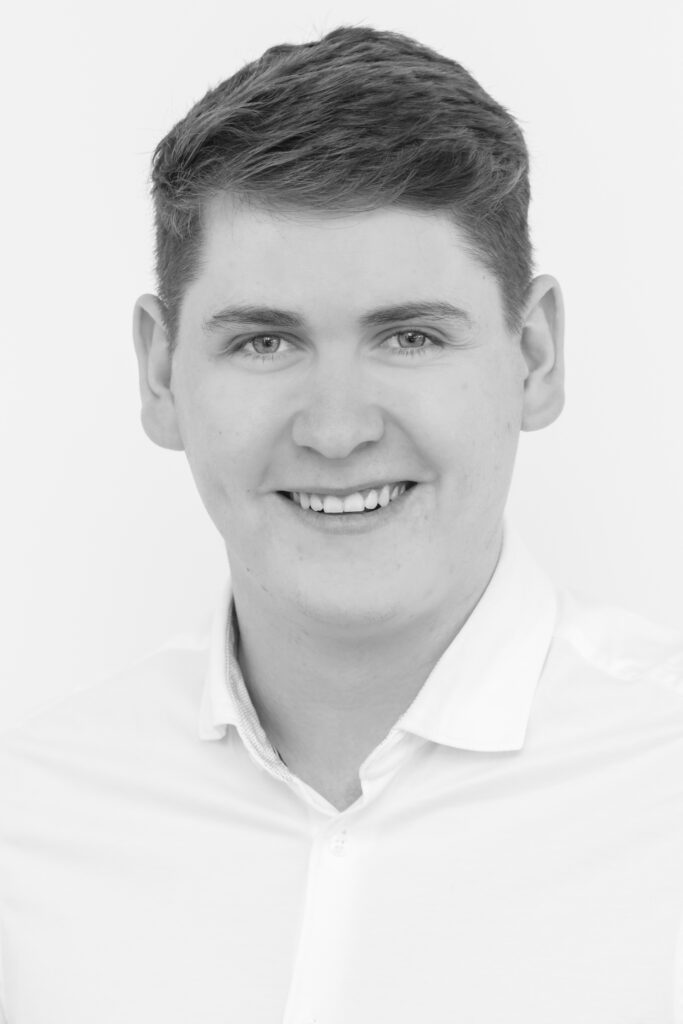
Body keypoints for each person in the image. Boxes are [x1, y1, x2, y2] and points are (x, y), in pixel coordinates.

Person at [1, 23, 682, 1024]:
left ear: (533, 354)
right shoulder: (26, 827)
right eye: (264, 342)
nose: (335, 429)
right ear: (159, 373)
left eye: (409, 336)